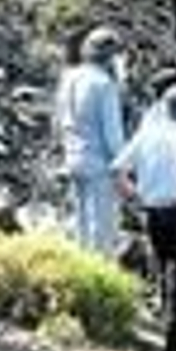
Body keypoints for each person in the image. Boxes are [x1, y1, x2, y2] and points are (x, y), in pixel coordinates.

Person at [112, 83, 176, 351]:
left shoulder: (146, 135)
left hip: (152, 213)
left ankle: (158, 339)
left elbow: (117, 171)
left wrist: (135, 197)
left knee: (161, 276)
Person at [52, 26, 126, 256]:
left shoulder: (69, 77)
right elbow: (112, 133)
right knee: (101, 229)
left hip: (72, 156)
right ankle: (99, 273)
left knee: (81, 224)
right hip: (98, 162)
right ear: (111, 56)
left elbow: (57, 120)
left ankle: (81, 270)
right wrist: (123, 167)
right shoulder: (104, 84)